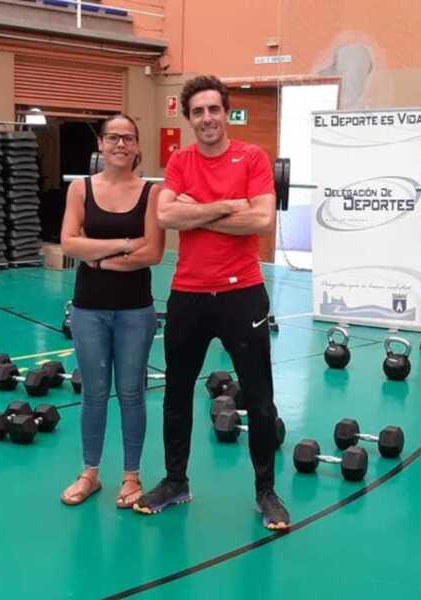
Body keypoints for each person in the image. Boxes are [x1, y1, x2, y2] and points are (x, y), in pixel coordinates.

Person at [133, 75, 290, 530]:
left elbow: (260, 219)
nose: (207, 118)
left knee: (260, 400)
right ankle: (176, 481)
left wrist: (197, 210)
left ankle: (266, 493)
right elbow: (165, 214)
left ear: (226, 112)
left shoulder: (253, 157)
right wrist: (226, 206)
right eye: (198, 112)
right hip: (189, 294)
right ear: (189, 119)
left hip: (243, 294)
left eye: (213, 109)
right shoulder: (181, 160)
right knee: (177, 395)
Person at [59, 114, 164, 508]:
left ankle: (131, 477)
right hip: (89, 310)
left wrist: (98, 253)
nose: (120, 144)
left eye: (128, 138)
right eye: (113, 137)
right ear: (101, 145)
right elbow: (69, 243)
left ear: (137, 147)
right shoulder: (80, 190)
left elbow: (152, 252)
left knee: (132, 393)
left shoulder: (151, 193)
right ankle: (90, 474)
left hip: (136, 310)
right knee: (94, 395)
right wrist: (124, 245)